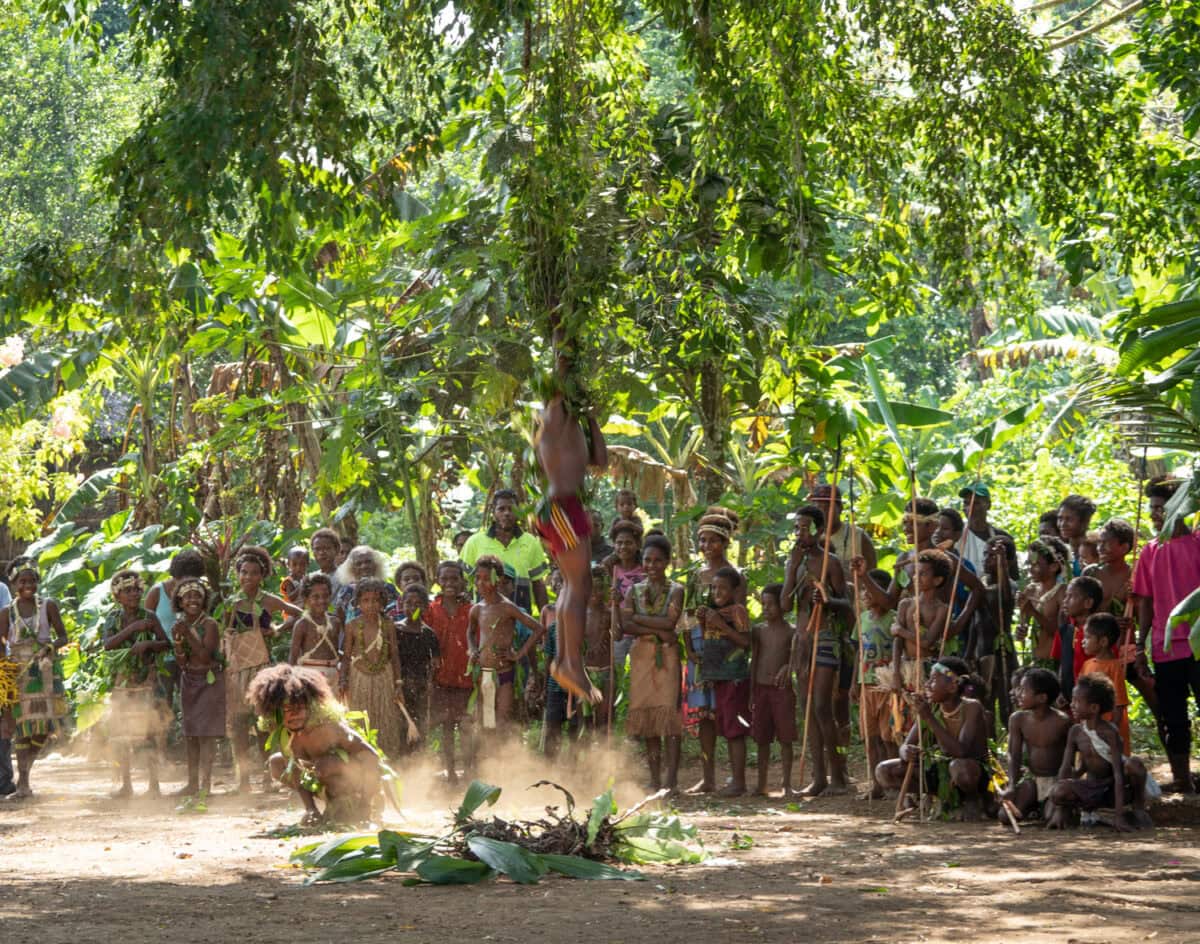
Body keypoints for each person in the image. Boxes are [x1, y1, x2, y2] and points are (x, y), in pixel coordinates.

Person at [531, 375, 609, 702]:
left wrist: (591, 417)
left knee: (574, 584)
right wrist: (565, 339)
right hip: (560, 506)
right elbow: (562, 351)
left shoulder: (571, 421)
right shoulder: (555, 413)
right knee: (579, 585)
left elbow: (600, 462)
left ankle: (566, 661)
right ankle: (570, 663)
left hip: (564, 506)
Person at [250, 664, 382, 825]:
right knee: (276, 764)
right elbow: (296, 772)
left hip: (359, 787)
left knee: (324, 765)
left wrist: (366, 803)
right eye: (286, 709)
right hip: (326, 784)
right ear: (275, 713)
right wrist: (310, 810)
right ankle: (328, 806)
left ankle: (358, 804)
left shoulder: (330, 729)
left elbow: (371, 757)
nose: (294, 715)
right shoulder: (285, 733)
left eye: (299, 708)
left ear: (310, 706)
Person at [1133, 478, 1200, 792]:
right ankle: (1182, 778)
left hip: (1197, 642)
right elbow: (1145, 600)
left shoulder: (1197, 543)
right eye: (1152, 510)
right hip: (1165, 644)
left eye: (1159, 508)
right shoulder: (1150, 550)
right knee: (1174, 714)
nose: (1154, 515)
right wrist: (1140, 642)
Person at [782, 503, 851, 796]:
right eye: (796, 527)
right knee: (807, 708)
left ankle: (838, 775)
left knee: (822, 706)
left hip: (825, 637)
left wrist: (826, 599)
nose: (800, 532)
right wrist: (792, 570)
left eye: (805, 527)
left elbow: (847, 605)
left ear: (820, 530)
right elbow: (785, 604)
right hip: (802, 640)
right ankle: (818, 776)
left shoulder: (831, 562)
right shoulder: (793, 561)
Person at [223, 546, 301, 791]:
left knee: (264, 724)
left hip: (261, 670)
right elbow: (223, 633)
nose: (248, 577)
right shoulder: (230, 604)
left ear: (262, 575)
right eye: (243, 572)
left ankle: (269, 777)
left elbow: (299, 614)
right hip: (236, 669)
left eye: (254, 573)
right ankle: (243, 779)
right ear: (237, 574)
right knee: (238, 725)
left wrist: (277, 630)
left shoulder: (268, 600)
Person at [875, 657, 990, 820]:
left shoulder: (972, 707)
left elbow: (961, 752)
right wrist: (906, 751)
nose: (927, 684)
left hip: (972, 774)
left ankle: (973, 799)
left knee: (960, 767)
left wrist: (929, 718)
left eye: (933, 679)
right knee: (884, 771)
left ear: (952, 686)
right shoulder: (931, 709)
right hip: (944, 773)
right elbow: (906, 745)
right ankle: (942, 796)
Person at [684, 507, 743, 793]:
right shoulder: (695, 576)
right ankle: (708, 777)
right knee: (704, 713)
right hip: (698, 647)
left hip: (725, 649)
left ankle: (735, 776)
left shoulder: (734, 575)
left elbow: (741, 616)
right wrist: (689, 651)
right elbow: (686, 616)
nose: (707, 547)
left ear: (725, 542)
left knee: (726, 711)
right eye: (703, 541)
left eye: (713, 541)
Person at [620, 534, 684, 793]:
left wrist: (640, 620)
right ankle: (655, 779)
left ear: (667, 562)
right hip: (642, 656)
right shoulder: (633, 590)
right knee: (648, 719)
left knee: (668, 715)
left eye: (658, 560)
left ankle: (671, 781)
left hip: (666, 656)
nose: (652, 565)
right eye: (647, 560)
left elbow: (672, 623)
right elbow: (625, 624)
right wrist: (659, 629)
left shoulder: (676, 589)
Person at [0, 558, 68, 799]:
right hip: (19, 674)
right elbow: (1, 644)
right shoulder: (7, 612)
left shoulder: (48, 606)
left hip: (45, 672)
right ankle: (23, 783)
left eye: (31, 580)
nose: (27, 585)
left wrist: (48, 649)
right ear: (14, 583)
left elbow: (62, 637)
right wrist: (5, 671)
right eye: (22, 581)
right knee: (22, 728)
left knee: (43, 727)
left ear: (38, 582)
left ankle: (25, 771)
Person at [1047, 673, 1149, 831]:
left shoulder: (1110, 733)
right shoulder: (1075, 732)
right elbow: (1066, 768)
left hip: (1113, 788)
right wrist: (1059, 809)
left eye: (1077, 701)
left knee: (1134, 764)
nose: (1072, 705)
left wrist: (1119, 816)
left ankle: (1138, 807)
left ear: (1094, 708)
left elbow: (1118, 774)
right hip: (1091, 787)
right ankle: (1082, 812)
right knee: (1058, 791)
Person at [103, 570, 171, 798]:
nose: (133, 594)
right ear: (117, 595)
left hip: (148, 682)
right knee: (121, 734)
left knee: (150, 732)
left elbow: (166, 644)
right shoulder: (113, 618)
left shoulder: (149, 616)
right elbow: (108, 645)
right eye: (127, 590)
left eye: (136, 589)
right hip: (123, 684)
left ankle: (154, 785)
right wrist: (133, 629)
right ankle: (126, 784)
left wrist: (148, 644)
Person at [466, 556, 544, 735]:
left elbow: (539, 628)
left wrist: (518, 654)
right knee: (487, 722)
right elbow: (470, 631)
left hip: (504, 673)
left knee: (501, 721)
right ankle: (488, 759)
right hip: (484, 673)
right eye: (477, 578)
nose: (480, 583)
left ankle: (503, 759)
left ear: (498, 580)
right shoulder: (477, 609)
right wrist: (472, 648)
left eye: (486, 578)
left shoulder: (507, 607)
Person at [696, 566, 752, 796]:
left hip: (734, 678)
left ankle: (739, 782)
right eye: (714, 588)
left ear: (735, 591)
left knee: (735, 729)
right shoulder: (713, 611)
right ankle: (734, 781)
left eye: (723, 588)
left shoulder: (738, 611)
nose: (717, 592)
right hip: (718, 679)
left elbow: (746, 643)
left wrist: (718, 623)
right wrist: (704, 621)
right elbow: (710, 641)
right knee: (726, 728)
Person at [171, 577, 224, 798]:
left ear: (204, 601)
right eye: (188, 597)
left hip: (208, 681)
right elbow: (182, 662)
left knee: (207, 735)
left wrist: (187, 635)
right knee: (191, 733)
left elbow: (204, 656)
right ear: (180, 602)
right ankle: (192, 783)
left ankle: (206, 784)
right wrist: (178, 642)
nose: (193, 600)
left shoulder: (209, 624)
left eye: (197, 596)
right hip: (189, 680)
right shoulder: (180, 625)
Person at [341, 577, 405, 758]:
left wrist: (398, 683)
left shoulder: (388, 625)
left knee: (385, 721)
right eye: (366, 601)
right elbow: (346, 656)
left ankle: (386, 757)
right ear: (358, 603)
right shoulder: (352, 626)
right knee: (361, 720)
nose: (371, 605)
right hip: (359, 678)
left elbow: (394, 655)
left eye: (376, 600)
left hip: (384, 677)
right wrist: (343, 679)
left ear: (383, 602)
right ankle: (360, 758)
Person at [849, 565, 898, 798]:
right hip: (866, 684)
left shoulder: (894, 618)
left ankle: (892, 783)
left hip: (886, 685)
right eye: (862, 593)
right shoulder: (862, 619)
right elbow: (859, 652)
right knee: (871, 738)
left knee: (889, 737)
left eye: (870, 592)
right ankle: (875, 785)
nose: (865, 597)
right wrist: (854, 684)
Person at [999, 667, 1071, 824]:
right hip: (1032, 779)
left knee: (1050, 817)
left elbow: (1069, 759)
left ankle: (1046, 807)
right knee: (1005, 817)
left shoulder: (1062, 721)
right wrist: (1011, 785)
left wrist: (1061, 784)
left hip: (1056, 780)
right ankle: (1034, 807)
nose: (1018, 694)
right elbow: (1014, 754)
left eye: (1024, 691)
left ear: (1042, 698)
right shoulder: (1017, 719)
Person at [461, 489, 550, 615]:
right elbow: (463, 582)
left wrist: (545, 619)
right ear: (493, 512)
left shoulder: (531, 542)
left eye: (511, 509)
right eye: (501, 509)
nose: (507, 513)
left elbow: (538, 585)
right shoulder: (474, 542)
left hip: (522, 618)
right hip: (485, 618)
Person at [425, 560, 473, 783]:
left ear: (462, 581)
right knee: (445, 725)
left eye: (455, 579)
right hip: (441, 677)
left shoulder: (471, 609)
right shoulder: (431, 609)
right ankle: (450, 770)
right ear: (437, 581)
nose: (449, 583)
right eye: (444, 579)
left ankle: (469, 768)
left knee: (465, 724)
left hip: (466, 676)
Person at [751, 583, 797, 797]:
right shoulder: (758, 631)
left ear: (783, 605)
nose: (766, 608)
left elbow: (795, 660)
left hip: (782, 691)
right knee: (762, 740)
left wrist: (789, 667)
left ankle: (786, 784)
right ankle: (762, 784)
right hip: (761, 689)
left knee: (786, 738)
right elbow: (754, 662)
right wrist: (751, 692)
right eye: (763, 604)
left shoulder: (792, 632)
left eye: (771, 604)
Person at [394, 583, 440, 750]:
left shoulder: (428, 633)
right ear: (401, 604)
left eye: (418, 604)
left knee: (420, 723)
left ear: (426, 607)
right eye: (409, 603)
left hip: (420, 686)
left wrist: (429, 684)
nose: (413, 607)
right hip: (399, 685)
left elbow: (434, 663)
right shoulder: (395, 629)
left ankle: (419, 763)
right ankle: (401, 764)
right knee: (400, 725)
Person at [1015, 536, 1070, 670]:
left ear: (1054, 566)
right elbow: (1024, 624)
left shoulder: (1062, 592)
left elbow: (1060, 633)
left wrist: (1032, 611)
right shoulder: (1031, 590)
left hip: (1056, 663)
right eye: (1030, 564)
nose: (1031, 569)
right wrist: (1021, 630)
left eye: (1036, 564)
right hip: (1036, 661)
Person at [1079, 613, 1131, 755]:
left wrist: (1111, 732)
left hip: (1108, 730)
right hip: (1090, 727)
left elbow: (1119, 705)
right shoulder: (1086, 665)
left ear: (1103, 642)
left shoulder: (1114, 667)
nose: (1083, 641)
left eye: (1088, 637)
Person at [1052, 574, 1103, 697]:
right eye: (1065, 596)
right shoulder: (1065, 630)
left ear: (1088, 603)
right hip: (1069, 697)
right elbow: (1062, 664)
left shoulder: (1100, 632)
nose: (1065, 601)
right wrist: (1060, 692)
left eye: (1071, 597)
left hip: (1093, 697)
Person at [287, 573, 341, 690]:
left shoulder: (335, 622)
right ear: (306, 599)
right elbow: (293, 656)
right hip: (309, 676)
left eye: (325, 596)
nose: (321, 600)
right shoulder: (302, 625)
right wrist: (292, 681)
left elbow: (337, 651)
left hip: (333, 674)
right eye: (315, 597)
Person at [808, 483, 877, 570]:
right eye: (818, 509)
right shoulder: (809, 537)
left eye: (828, 507)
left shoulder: (858, 536)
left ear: (840, 508)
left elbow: (873, 573)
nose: (823, 513)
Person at [333, 545, 399, 628]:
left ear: (375, 564)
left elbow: (398, 614)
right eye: (358, 563)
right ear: (352, 568)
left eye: (368, 562)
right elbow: (341, 620)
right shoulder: (347, 591)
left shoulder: (389, 588)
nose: (364, 566)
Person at [583, 565, 615, 732]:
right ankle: (587, 754)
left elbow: (618, 634)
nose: (595, 592)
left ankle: (604, 754)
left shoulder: (610, 613)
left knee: (604, 714)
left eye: (600, 588)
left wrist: (616, 606)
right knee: (586, 716)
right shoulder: (580, 614)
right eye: (591, 588)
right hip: (586, 671)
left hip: (606, 670)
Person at [957, 483, 1014, 574]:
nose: (970, 508)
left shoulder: (1002, 537)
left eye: (975, 503)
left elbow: (1012, 576)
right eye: (966, 503)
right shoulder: (956, 534)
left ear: (988, 505)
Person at [1057, 495, 1098, 575]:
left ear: (1085, 521)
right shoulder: (1060, 552)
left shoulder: (1097, 550)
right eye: (1060, 518)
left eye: (1069, 519)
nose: (1063, 524)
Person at [310, 528, 343, 596]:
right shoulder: (310, 578)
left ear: (336, 550)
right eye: (317, 549)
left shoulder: (344, 577)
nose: (322, 553)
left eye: (327, 548)